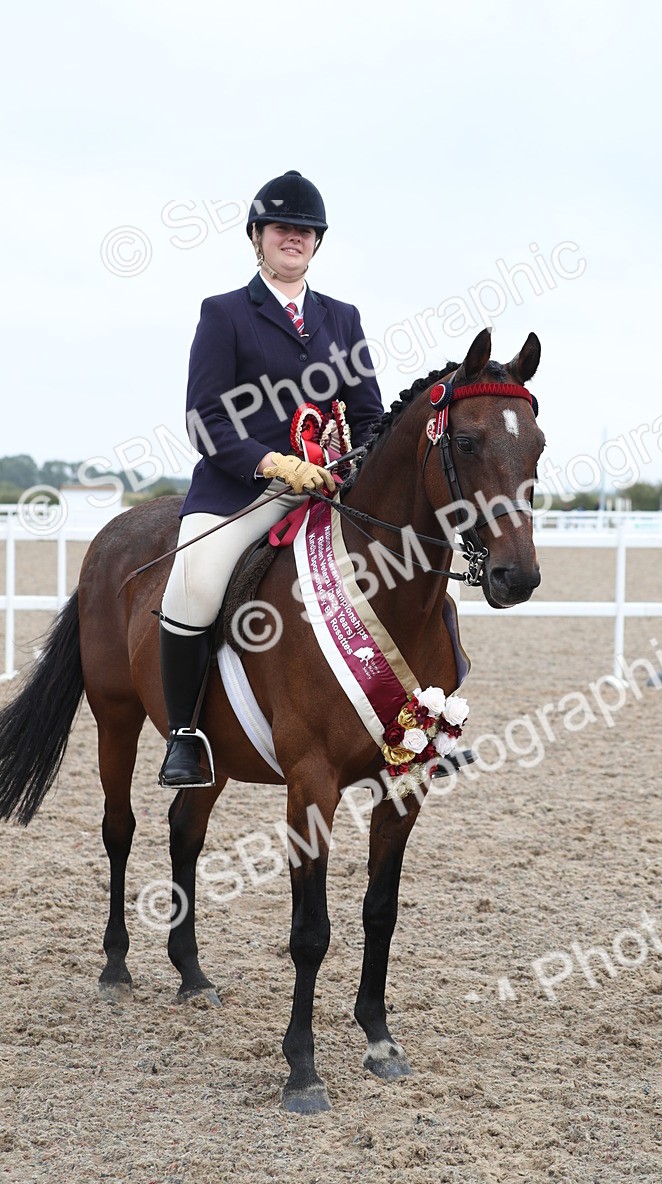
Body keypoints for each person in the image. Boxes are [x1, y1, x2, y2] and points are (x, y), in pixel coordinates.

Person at [158, 170, 383, 788]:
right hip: (245, 488)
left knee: (410, 564)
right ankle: (185, 736)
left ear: (318, 243)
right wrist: (271, 462)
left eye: (307, 230)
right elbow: (204, 418)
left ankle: (419, 717)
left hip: (331, 490)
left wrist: (354, 465)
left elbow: (369, 416)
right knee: (197, 583)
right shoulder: (226, 313)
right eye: (283, 228)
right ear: (257, 237)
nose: (295, 237)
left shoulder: (343, 318)